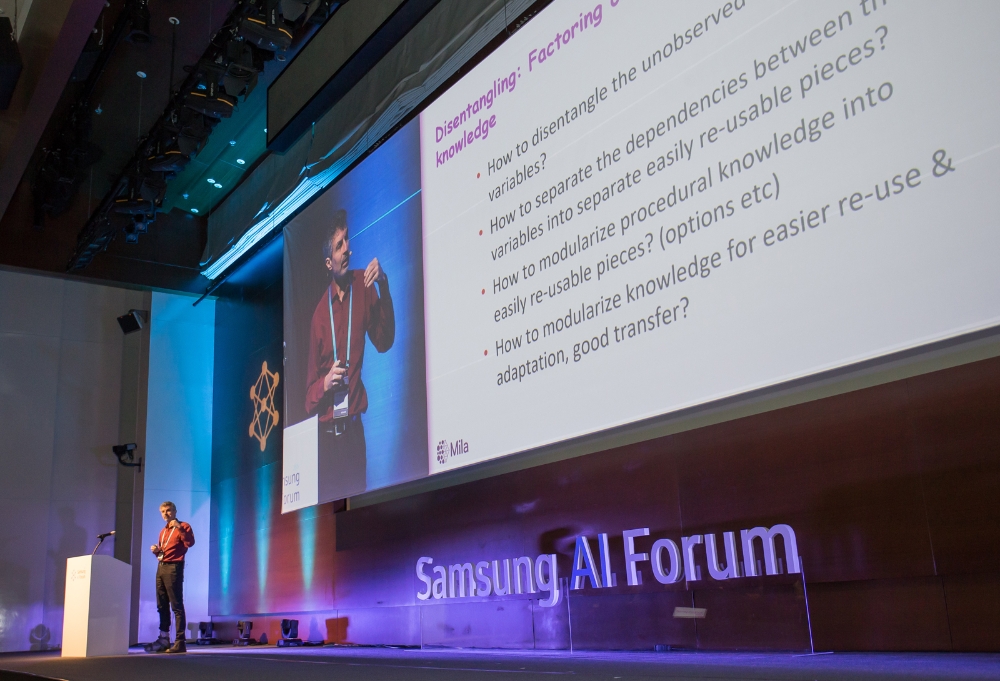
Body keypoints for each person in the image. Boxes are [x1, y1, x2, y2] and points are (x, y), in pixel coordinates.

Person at [305, 208, 395, 499]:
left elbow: (384, 341)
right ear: (328, 262)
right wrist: (326, 384)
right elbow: (308, 399)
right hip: (327, 442)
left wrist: (383, 284)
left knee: (359, 513)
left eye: (347, 241)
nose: (348, 250)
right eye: (339, 245)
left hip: (355, 435)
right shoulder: (319, 315)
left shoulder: (364, 285)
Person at [145, 501, 195, 654]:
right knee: (161, 604)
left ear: (175, 511)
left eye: (168, 510)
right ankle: (164, 638)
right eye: (163, 512)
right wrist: (157, 551)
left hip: (174, 567)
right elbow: (163, 552)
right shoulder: (163, 531)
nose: (166, 514)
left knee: (176, 605)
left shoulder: (184, 526)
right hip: (161, 566)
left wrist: (179, 528)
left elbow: (190, 543)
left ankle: (180, 642)